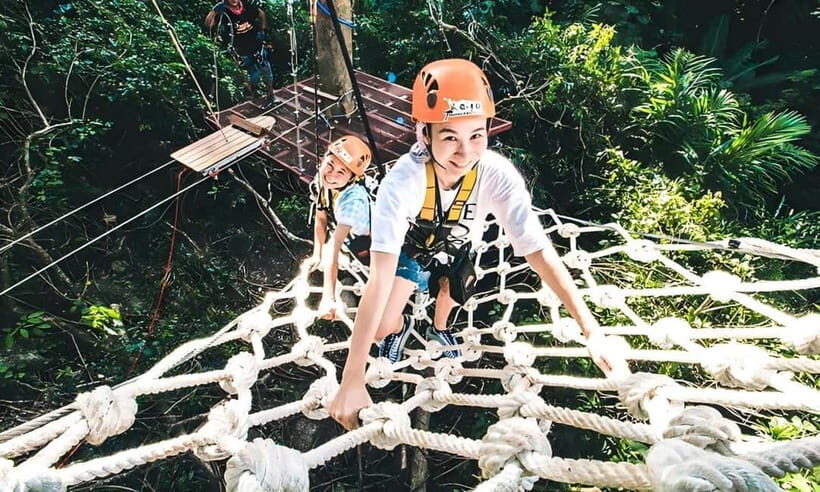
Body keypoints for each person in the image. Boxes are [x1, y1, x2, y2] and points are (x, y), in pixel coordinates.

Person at [329, 59, 627, 431]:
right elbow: (379, 277)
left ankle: (439, 327)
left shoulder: (495, 174)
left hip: (457, 252)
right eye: (449, 137)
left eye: (476, 135)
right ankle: (402, 323)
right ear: (425, 135)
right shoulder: (402, 183)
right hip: (413, 254)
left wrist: (592, 331)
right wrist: (352, 379)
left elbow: (538, 250)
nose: (465, 152)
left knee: (453, 295)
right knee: (380, 328)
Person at [309, 136, 373, 320]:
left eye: (341, 172)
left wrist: (327, 298)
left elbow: (334, 247)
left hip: (372, 247)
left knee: (367, 306)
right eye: (329, 165)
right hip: (352, 242)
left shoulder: (353, 201)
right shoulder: (323, 182)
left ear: (352, 178)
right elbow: (321, 216)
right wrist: (317, 253)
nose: (331, 175)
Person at [205, 0, 276, 103]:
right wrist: (215, 10)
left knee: (266, 71)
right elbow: (209, 24)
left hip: (257, 45)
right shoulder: (224, 13)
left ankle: (271, 95)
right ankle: (255, 97)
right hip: (241, 50)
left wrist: (262, 31)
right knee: (252, 76)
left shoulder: (247, 6)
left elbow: (261, 14)